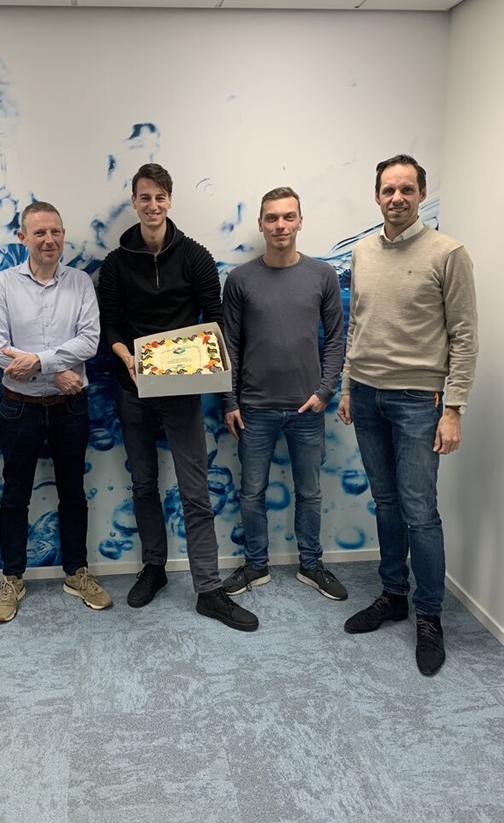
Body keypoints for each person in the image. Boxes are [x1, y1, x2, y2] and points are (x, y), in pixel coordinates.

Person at [99, 163, 258, 632]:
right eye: (144, 197)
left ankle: (208, 589)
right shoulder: (115, 263)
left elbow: (217, 322)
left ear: (170, 200)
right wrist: (125, 355)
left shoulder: (195, 256)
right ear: (134, 201)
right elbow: (109, 323)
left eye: (160, 197)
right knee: (143, 483)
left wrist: (218, 384)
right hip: (131, 385)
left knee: (195, 489)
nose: (153, 205)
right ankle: (154, 567)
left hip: (183, 389)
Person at [337, 154, 478, 676]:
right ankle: (394, 594)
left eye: (407, 189)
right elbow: (357, 324)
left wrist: (454, 408)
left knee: (420, 510)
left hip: (420, 400)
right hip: (366, 395)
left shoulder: (448, 252)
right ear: (377, 196)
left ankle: (430, 616)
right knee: (387, 502)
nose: (396, 198)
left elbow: (465, 336)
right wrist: (348, 386)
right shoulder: (362, 252)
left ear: (420, 194)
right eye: (388, 190)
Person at [0, 201, 111, 621]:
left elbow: (89, 340)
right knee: (14, 496)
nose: (49, 240)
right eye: (39, 232)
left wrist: (40, 362)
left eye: (55, 231)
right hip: (19, 408)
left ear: (63, 235)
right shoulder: (3, 284)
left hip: (69, 407)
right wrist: (55, 369)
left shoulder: (80, 283)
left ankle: (76, 573)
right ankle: (12, 578)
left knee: (73, 493)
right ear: (22, 237)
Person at [221, 186, 348, 601]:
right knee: (251, 493)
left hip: (307, 407)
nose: (280, 225)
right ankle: (255, 565)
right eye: (272, 218)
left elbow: (336, 338)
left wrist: (325, 391)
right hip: (254, 408)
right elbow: (229, 345)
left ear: (300, 221)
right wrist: (229, 401)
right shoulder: (240, 280)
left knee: (310, 492)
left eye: (288, 216)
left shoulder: (322, 275)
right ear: (261, 224)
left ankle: (311, 564)